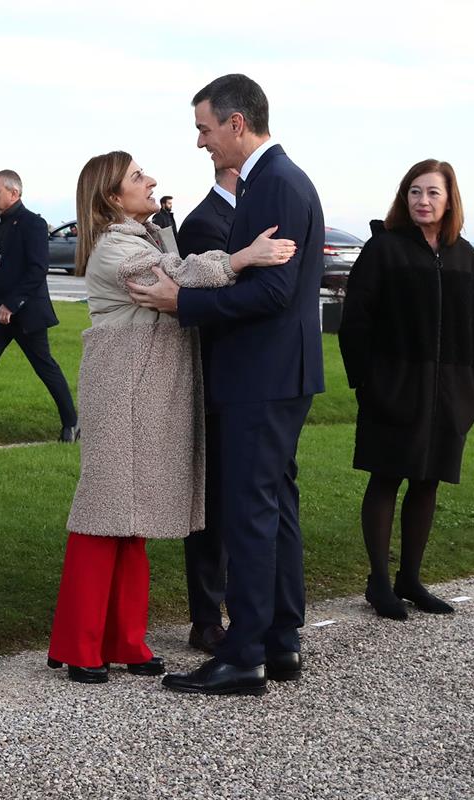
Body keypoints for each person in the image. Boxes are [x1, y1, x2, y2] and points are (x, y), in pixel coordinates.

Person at [46, 152, 294, 685]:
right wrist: (242, 258)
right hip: (124, 390)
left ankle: (125, 640)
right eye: (137, 176)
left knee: (130, 519)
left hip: (145, 388)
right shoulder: (118, 248)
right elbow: (178, 278)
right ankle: (79, 645)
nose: (151, 179)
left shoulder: (142, 237)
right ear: (112, 197)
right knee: (103, 512)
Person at [131, 73, 326, 696]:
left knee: (248, 512)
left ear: (237, 124)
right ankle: (281, 640)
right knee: (276, 507)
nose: (201, 143)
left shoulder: (272, 184)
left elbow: (273, 291)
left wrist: (179, 302)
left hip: (259, 375)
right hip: (280, 373)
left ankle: (243, 655)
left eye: (205, 129)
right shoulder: (279, 180)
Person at [339, 160, 474, 619]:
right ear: (405, 197)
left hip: (449, 393)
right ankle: (379, 582)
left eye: (433, 193)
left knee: (428, 481)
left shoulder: (465, 255)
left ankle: (411, 579)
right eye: (415, 192)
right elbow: (355, 321)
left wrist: (471, 382)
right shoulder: (384, 249)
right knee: (386, 478)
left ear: (449, 199)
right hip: (394, 387)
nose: (423, 201)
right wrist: (367, 381)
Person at [0, 169, 78, 449]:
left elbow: (38, 269)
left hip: (25, 313)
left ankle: (72, 421)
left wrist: (12, 304)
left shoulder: (33, 224)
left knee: (45, 367)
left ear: (14, 193)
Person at [174, 166, 239, 654]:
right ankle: (205, 617)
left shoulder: (251, 215)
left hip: (248, 382)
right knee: (211, 505)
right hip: (216, 380)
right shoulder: (203, 222)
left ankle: (241, 608)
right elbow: (206, 305)